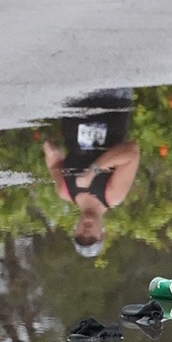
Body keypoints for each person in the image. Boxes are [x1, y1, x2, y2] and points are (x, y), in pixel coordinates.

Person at [39, 91, 140, 258]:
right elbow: (132, 152)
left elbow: (54, 163)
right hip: (111, 99)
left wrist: (49, 150)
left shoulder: (65, 191)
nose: (86, 232)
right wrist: (93, 171)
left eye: (80, 237)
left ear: (75, 230)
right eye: (92, 238)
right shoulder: (113, 195)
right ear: (102, 233)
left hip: (73, 102)